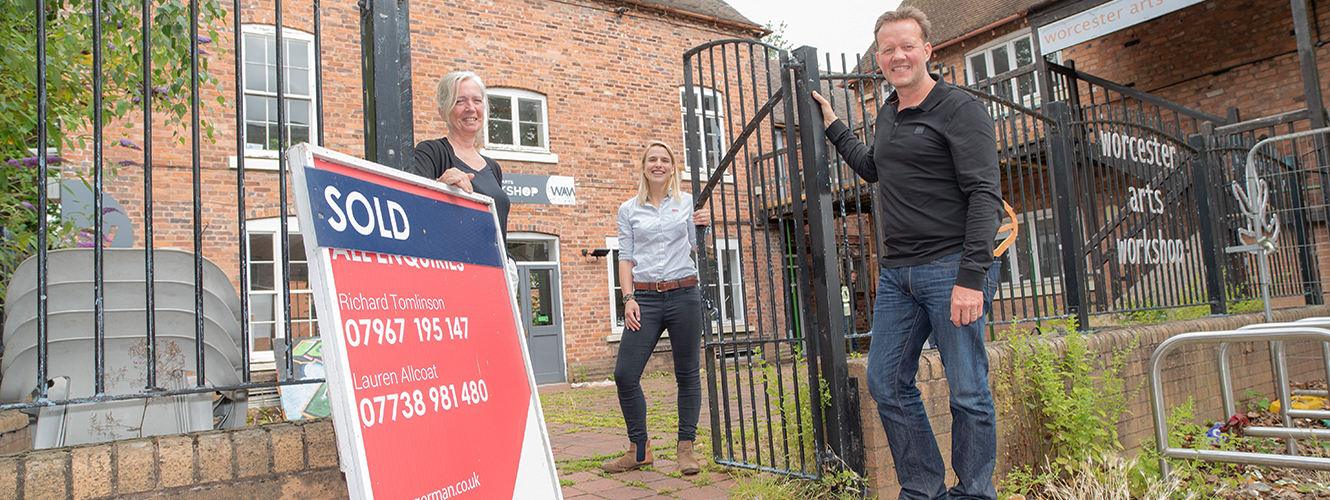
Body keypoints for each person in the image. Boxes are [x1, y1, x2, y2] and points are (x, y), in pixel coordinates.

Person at [811, 6, 1003, 500]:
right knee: (886, 382)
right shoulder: (889, 113)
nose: (897, 56)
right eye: (888, 49)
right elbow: (875, 168)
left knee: (967, 391)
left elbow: (984, 194)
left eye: (907, 46)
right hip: (899, 275)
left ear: (927, 50)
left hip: (951, 268)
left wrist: (972, 277)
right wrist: (834, 126)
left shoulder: (960, 109)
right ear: (879, 57)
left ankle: (974, 493)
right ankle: (923, 490)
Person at [601, 140, 710, 475]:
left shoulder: (688, 204)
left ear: (672, 166)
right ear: (644, 166)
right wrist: (628, 297)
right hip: (644, 298)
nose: (658, 164)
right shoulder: (628, 210)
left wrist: (705, 226)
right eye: (652, 159)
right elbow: (626, 257)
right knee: (625, 374)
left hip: (683, 294)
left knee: (687, 373)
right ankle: (639, 449)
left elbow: (698, 247)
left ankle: (686, 448)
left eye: (665, 159)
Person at [408, 71, 516, 285]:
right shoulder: (431, 152)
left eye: (477, 100)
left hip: (498, 274)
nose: (471, 108)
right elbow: (412, 210)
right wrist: (440, 185)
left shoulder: (493, 167)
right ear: (443, 111)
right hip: (455, 276)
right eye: (460, 101)